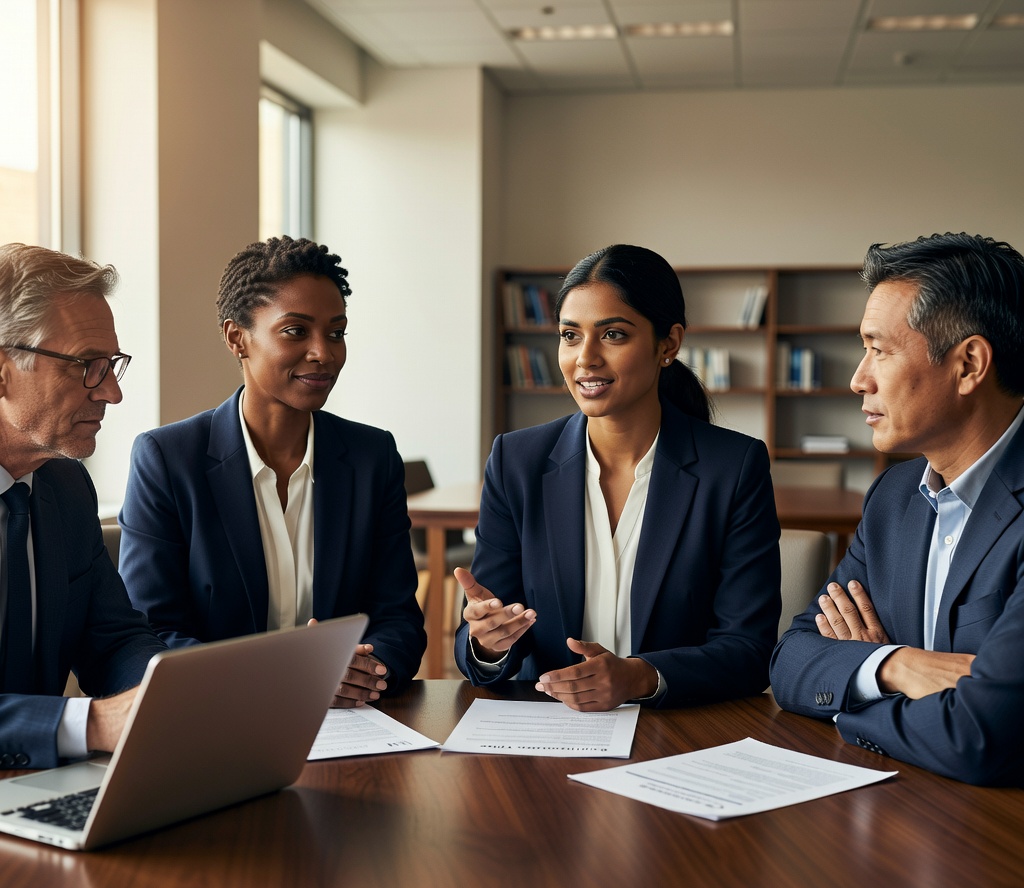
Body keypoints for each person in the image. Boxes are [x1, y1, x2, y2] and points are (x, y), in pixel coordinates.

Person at [454, 244, 781, 710]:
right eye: (570, 335)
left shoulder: (733, 467)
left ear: (668, 344)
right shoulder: (516, 460)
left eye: (612, 334)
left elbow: (749, 650)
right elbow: (480, 642)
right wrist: (488, 642)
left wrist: (640, 677)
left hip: (679, 731)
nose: (585, 358)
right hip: (545, 732)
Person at [118, 237, 425, 705]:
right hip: (219, 718)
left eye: (336, 332)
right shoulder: (167, 458)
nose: (324, 352)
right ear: (237, 338)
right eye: (296, 331)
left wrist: (367, 670)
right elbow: (151, 631)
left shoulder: (371, 456)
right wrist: (275, 680)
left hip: (349, 722)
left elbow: (398, 618)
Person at [771, 232, 1024, 786]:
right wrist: (895, 665)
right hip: (899, 811)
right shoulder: (893, 497)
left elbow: (982, 735)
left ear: (969, 364)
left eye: (878, 350)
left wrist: (852, 693)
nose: (858, 378)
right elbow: (790, 660)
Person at [0, 243, 166, 769]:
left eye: (112, 365)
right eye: (85, 366)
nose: (112, 393)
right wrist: (95, 722)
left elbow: (113, 639)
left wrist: (166, 697)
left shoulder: (67, 489)